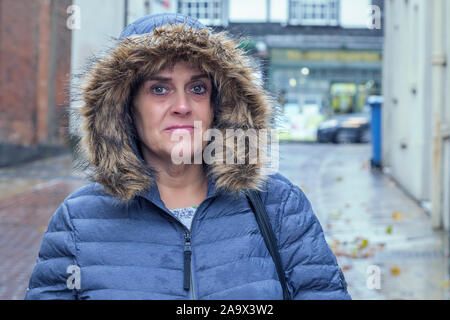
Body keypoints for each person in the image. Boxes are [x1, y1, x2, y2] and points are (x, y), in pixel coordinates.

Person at [24, 13, 351, 300]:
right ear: (125, 107)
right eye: (159, 89)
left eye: (197, 88)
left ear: (218, 107)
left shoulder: (280, 206)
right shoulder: (78, 222)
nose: (182, 106)